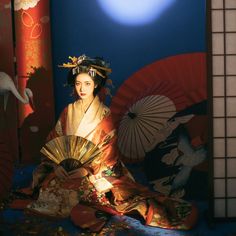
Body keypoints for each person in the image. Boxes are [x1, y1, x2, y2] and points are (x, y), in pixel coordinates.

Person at [21, 55, 198, 232]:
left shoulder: (103, 114)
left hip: (95, 172)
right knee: (50, 186)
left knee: (85, 192)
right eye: (78, 83)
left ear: (96, 84)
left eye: (87, 83)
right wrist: (57, 164)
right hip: (67, 169)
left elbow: (107, 154)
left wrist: (86, 170)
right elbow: (55, 141)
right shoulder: (68, 111)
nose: (82, 89)